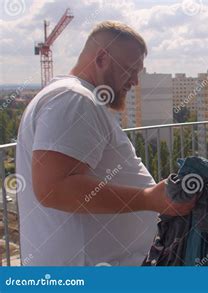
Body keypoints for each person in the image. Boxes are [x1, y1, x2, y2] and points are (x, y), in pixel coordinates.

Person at [15, 21, 195, 266]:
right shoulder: (74, 99)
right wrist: (148, 198)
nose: (135, 82)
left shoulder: (75, 98)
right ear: (102, 58)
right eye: (131, 69)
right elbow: (54, 188)